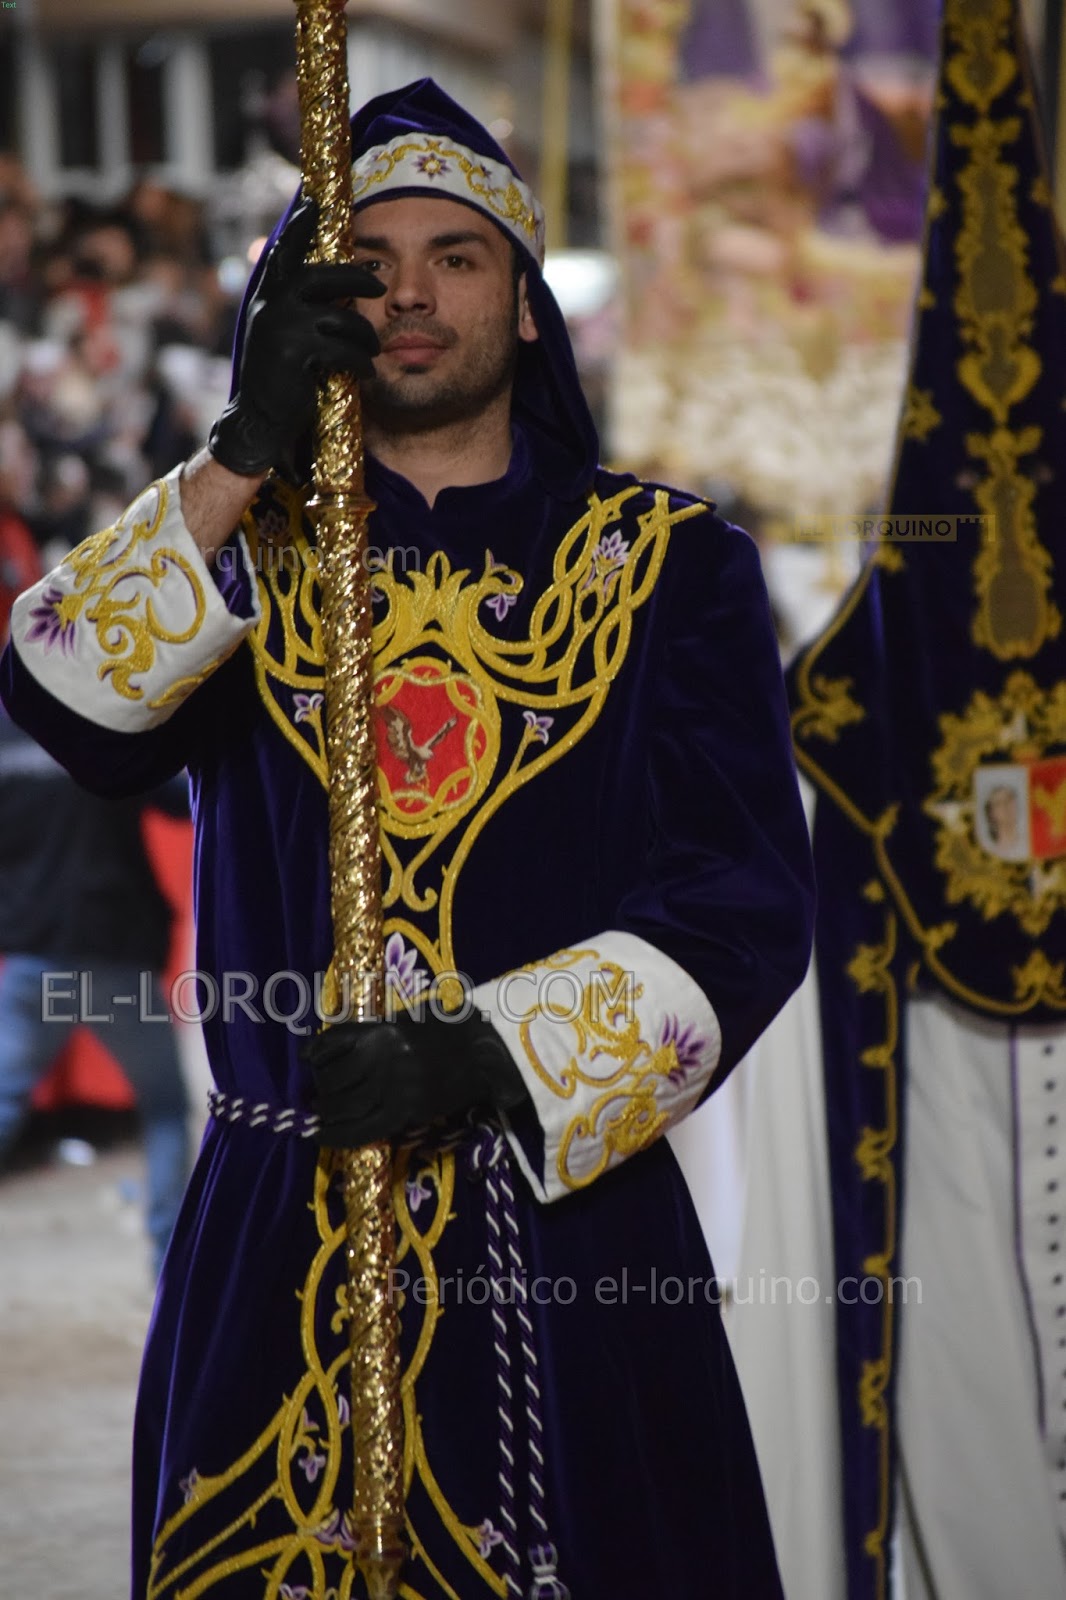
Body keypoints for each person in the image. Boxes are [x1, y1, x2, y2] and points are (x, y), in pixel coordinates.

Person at [1, 80, 813, 1599]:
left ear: (525, 301)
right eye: (367, 264)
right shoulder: (242, 548)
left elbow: (743, 902)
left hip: (565, 1236)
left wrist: (497, 1050)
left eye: (457, 256)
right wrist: (239, 449)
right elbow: (65, 709)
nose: (412, 295)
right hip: (284, 1226)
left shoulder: (668, 564)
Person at [0, 701, 191, 1280]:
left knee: (4, 1103)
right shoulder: (104, 719)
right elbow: (182, 799)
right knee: (165, 1109)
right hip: (116, 951)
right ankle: (168, 1267)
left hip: (37, 953)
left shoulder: (6, 737)